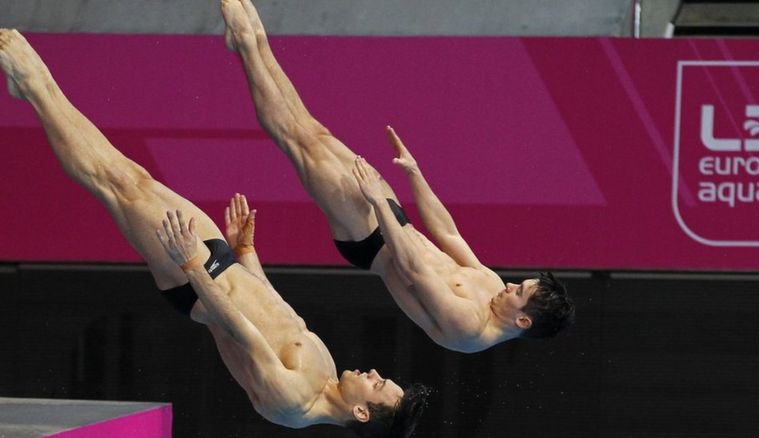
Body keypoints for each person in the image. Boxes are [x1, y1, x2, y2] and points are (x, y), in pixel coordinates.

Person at [0, 28, 427, 436]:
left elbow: (237, 326)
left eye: (377, 384)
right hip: (221, 268)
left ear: (360, 412)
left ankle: (34, 84)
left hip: (197, 280)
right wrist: (248, 252)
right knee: (136, 180)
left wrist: (190, 262)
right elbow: (273, 310)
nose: (374, 373)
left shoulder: (292, 404)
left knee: (116, 181)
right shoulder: (327, 373)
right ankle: (37, 92)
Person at [222, 0, 575, 353]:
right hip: (392, 219)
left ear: (523, 321)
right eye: (519, 283)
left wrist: (378, 201)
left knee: (296, 141)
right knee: (315, 132)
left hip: (370, 239)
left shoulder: (468, 329)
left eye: (519, 292)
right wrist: (415, 174)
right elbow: (447, 232)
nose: (510, 285)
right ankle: (254, 43)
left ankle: (247, 48)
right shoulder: (491, 284)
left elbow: (412, 270)